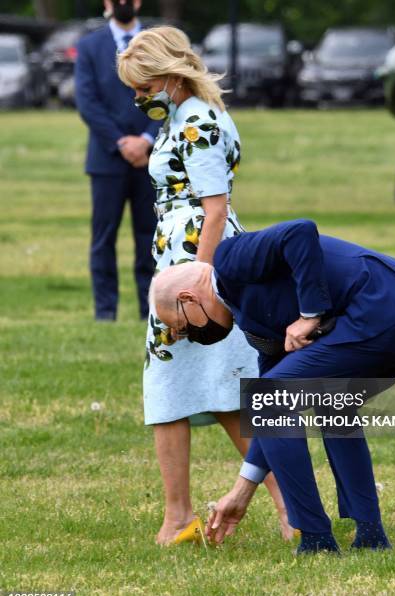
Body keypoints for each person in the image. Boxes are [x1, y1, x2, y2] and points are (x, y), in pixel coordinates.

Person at [149, 219, 395, 554]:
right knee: (330, 402)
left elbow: (300, 231)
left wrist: (310, 313)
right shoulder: (254, 328)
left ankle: (316, 539)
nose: (187, 335)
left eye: (183, 327)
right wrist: (241, 491)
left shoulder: (229, 257)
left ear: (189, 298)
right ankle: (370, 534)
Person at [116, 26, 292, 545]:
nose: (139, 97)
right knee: (169, 384)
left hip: (199, 266)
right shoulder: (178, 118)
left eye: (145, 86)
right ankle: (178, 517)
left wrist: (200, 278)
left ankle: (292, 508)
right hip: (175, 267)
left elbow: (214, 212)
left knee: (229, 392)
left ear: (170, 75)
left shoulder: (200, 123)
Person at [75, 0, 159, 321]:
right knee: (103, 238)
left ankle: (150, 311)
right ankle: (105, 313)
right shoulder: (89, 46)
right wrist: (122, 142)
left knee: (150, 237)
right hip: (107, 160)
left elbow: (171, 91)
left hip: (150, 159)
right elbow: (87, 101)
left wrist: (147, 140)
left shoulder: (156, 42)